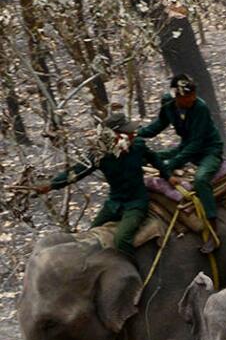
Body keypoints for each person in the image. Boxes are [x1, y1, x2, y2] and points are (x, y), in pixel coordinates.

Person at [35, 109, 174, 258]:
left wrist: (168, 176)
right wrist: (52, 185)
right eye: (127, 132)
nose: (133, 134)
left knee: (121, 240)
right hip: (114, 203)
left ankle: (133, 272)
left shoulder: (137, 146)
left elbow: (154, 159)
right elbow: (77, 172)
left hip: (136, 203)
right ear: (113, 135)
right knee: (90, 236)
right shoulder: (99, 154)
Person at [136, 74, 224, 253]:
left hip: (207, 150)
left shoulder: (200, 108)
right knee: (148, 157)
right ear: (176, 96)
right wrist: (136, 135)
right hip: (185, 147)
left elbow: (196, 143)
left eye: (192, 95)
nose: (191, 99)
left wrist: (171, 165)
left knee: (200, 180)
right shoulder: (168, 103)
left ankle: (213, 228)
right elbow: (160, 124)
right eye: (186, 97)